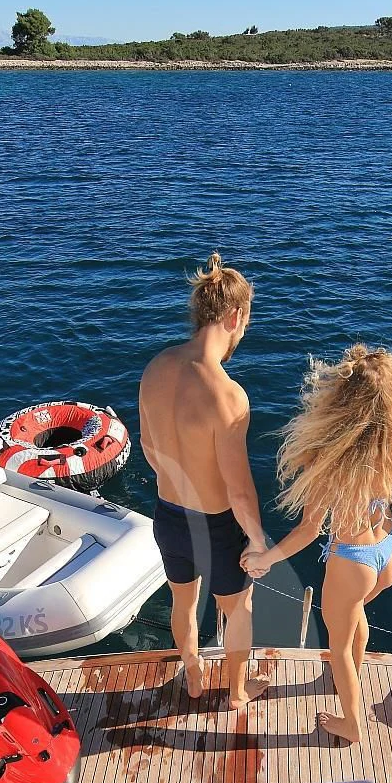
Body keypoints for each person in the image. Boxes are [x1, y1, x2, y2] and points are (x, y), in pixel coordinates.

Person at [242, 344, 392, 744]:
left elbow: (309, 530)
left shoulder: (329, 455)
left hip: (352, 561)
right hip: (389, 554)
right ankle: (350, 678)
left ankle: (352, 724)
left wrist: (265, 558)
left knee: (338, 645)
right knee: (356, 616)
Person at [137, 253, 271, 710]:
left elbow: (149, 448)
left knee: (183, 602)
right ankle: (235, 693)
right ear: (236, 316)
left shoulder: (155, 367)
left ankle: (193, 675)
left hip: (168, 515)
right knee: (238, 610)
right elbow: (238, 490)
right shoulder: (228, 396)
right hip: (216, 527)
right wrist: (257, 541)